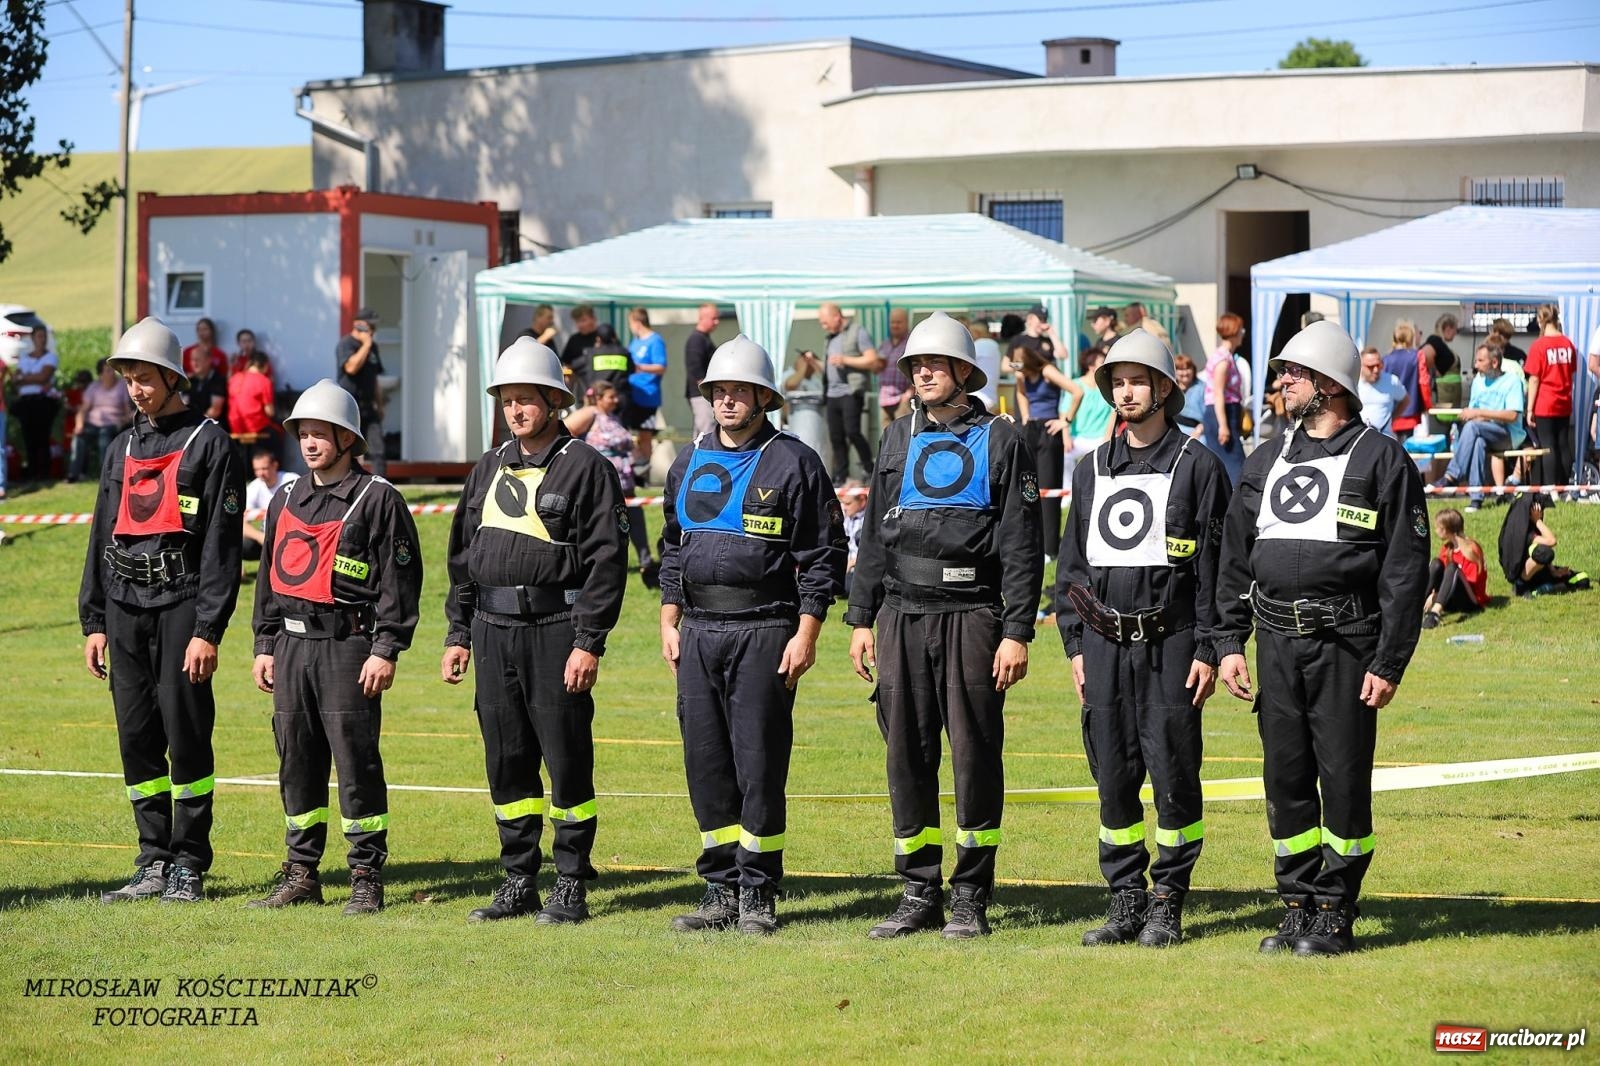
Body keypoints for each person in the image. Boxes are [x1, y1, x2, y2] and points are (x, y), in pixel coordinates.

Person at [1214, 320, 1429, 957]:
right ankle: (1298, 904)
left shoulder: (1381, 458)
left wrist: (1388, 661)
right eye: (1281, 373)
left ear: (1329, 385)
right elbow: (1233, 557)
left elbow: (1404, 570)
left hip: (1346, 646)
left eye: (1294, 374)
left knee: (1340, 780)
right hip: (1276, 647)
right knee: (1284, 780)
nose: (1280, 383)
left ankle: (1336, 908)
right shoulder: (1264, 459)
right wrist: (1228, 642)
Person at [846, 312, 1043, 940]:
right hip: (901, 615)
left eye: (933, 364)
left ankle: (971, 895)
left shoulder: (1003, 440)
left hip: (973, 617)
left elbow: (1020, 543)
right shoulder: (896, 439)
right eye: (914, 365)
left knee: (974, 756)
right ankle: (918, 889)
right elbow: (875, 532)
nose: (922, 373)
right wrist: (858, 617)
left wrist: (1017, 630)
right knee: (907, 755)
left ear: (964, 372)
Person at [659, 335, 845, 936]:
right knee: (705, 762)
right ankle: (719, 889)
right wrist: (669, 615)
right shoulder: (687, 462)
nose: (729, 400)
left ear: (765, 396)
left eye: (740, 390)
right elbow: (671, 545)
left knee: (758, 763)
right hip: (699, 631)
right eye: (719, 391)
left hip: (766, 627)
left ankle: (758, 892)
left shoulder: (795, 462)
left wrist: (808, 631)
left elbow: (825, 556)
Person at [440, 338, 627, 925]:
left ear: (553, 400)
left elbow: (606, 563)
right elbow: (461, 557)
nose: (516, 410)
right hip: (492, 630)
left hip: (556, 629)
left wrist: (587, 641)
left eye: (527, 399)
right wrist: (457, 634)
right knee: (507, 758)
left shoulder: (585, 467)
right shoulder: (487, 467)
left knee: (566, 757)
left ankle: (570, 881)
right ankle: (518, 878)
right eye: (508, 400)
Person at [1054, 330, 1231, 948]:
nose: (1126, 393)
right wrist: (1075, 648)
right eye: (1117, 382)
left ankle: (1167, 900)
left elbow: (1216, 572)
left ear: (1163, 389)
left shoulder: (1200, 467)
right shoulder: (1091, 468)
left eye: (1137, 381)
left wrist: (1211, 648)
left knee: (1174, 773)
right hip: (1103, 649)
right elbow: (1071, 570)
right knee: (1113, 773)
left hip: (1173, 643)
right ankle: (1125, 897)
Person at [79, 317, 245, 905]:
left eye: (145, 379)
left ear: (173, 377)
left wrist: (208, 629)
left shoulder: (211, 443)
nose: (135, 390)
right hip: (124, 608)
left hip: (181, 607)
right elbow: (103, 533)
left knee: (186, 733)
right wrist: (93, 620)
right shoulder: (120, 446)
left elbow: (222, 547)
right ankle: (152, 859)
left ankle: (188, 864)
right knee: (137, 737)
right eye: (128, 379)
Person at [248, 380, 422, 914]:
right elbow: (269, 578)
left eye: (321, 434)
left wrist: (385, 648)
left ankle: (366, 874)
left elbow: (400, 580)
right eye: (303, 433)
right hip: (291, 648)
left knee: (355, 763)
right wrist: (263, 643)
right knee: (295, 761)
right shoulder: (284, 498)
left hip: (349, 648)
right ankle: (301, 872)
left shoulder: (379, 499)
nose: (309, 443)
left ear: (348, 439)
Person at [566, 380, 658, 588]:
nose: (616, 400)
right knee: (604, 523)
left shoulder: (614, 417)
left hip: (625, 481)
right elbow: (568, 429)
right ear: (598, 398)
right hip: (601, 482)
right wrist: (579, 458)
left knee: (634, 518)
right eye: (611, 397)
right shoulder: (590, 413)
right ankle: (599, 562)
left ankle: (646, 561)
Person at [1431, 344, 1526, 511]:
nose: (1476, 365)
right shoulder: (1478, 381)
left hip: (1508, 434)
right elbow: (1474, 414)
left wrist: (1481, 414)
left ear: (1494, 362)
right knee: (1478, 441)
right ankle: (1476, 498)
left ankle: (1452, 474)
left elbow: (1512, 416)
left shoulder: (1512, 382)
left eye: (1480, 361)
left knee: (1474, 427)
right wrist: (1473, 415)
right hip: (1482, 431)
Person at [1010, 334, 1079, 558]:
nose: (1021, 374)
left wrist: (1065, 421)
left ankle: (1051, 548)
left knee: (1049, 489)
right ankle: (1029, 540)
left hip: (1050, 430)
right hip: (1031, 428)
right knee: (1027, 486)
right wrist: (1026, 417)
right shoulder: (1021, 375)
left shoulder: (1047, 371)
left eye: (1022, 368)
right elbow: (1021, 392)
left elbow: (1077, 391)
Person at [812, 302, 882, 485]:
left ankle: (869, 467)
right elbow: (827, 369)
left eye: (825, 322)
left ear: (837, 317)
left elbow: (872, 360)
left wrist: (845, 359)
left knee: (852, 432)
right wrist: (812, 362)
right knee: (836, 437)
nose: (823, 326)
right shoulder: (829, 339)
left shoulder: (858, 331)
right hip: (832, 394)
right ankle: (841, 475)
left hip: (851, 391)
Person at [1524, 304, 1577, 489]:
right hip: (1564, 401)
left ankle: (1551, 487)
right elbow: (1571, 373)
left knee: (1548, 445)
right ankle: (1565, 486)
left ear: (1540, 320)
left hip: (1545, 403)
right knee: (1563, 443)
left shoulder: (1539, 345)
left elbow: (1534, 379)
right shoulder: (1568, 344)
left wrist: (1529, 409)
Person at [1498, 492, 1589, 597]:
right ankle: (1521, 586)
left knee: (1583, 579)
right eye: (1540, 509)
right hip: (1527, 576)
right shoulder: (1523, 533)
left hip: (1541, 572)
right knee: (1545, 553)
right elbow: (1551, 541)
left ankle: (1546, 588)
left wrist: (1553, 571)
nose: (1542, 512)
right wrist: (1537, 521)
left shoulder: (1532, 529)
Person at [335, 308, 386, 477]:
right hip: (349, 407)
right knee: (348, 449)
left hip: (368, 407)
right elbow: (351, 367)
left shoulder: (373, 348)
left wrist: (379, 405)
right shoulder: (346, 344)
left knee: (378, 449)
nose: (373, 328)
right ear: (359, 324)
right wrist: (365, 345)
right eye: (370, 324)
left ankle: (382, 486)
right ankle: (349, 483)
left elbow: (375, 379)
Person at [70, 358, 134, 484]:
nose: (112, 373)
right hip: (92, 423)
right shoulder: (94, 387)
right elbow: (83, 410)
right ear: (100, 374)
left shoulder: (122, 385)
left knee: (104, 437)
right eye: (108, 370)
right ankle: (74, 474)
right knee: (79, 438)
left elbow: (128, 410)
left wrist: (125, 419)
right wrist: (79, 425)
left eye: (113, 370)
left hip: (113, 422)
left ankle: (105, 474)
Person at [1421, 507, 1487, 628]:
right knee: (1436, 563)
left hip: (1471, 601)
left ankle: (1435, 614)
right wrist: (1434, 594)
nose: (1435, 530)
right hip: (1452, 598)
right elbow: (1442, 577)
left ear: (1447, 529)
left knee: (1452, 568)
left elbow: (1474, 583)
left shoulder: (1471, 549)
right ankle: (1418, 607)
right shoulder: (1447, 548)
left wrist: (1438, 595)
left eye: (1438, 527)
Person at [1059, 346, 1114, 489]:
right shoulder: (1076, 385)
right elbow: (1064, 412)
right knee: (1064, 457)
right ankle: (1067, 491)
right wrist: (1066, 437)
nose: (1105, 364)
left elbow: (1113, 413)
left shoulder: (1108, 386)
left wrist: (1107, 437)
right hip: (1078, 437)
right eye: (1102, 361)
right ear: (1091, 366)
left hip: (1100, 438)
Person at [1201, 315, 1246, 486]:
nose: (1243, 334)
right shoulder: (1223, 360)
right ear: (1234, 331)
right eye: (1241, 330)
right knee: (1235, 464)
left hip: (1225, 413)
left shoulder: (1226, 356)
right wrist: (1224, 426)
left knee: (1232, 462)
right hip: (1221, 414)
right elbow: (1218, 393)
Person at [12, 323, 60, 482]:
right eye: (39, 336)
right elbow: (15, 379)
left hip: (42, 401)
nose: (42, 340)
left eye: (44, 337)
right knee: (29, 436)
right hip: (26, 402)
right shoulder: (25, 358)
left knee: (42, 436)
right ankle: (32, 471)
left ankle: (44, 471)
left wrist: (24, 378)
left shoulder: (50, 357)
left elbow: (43, 377)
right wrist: (33, 377)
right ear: (33, 338)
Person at [625, 307, 667, 484]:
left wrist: (640, 368)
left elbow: (661, 366)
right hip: (631, 394)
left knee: (645, 435)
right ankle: (634, 468)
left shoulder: (655, 340)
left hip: (648, 395)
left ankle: (644, 474)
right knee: (626, 433)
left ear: (637, 321)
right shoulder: (635, 341)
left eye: (631, 323)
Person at [241, 448, 298, 562]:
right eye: (256, 469)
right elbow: (241, 520)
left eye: (264, 468)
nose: (260, 473)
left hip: (291, 535)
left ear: (275, 465)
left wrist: (261, 513)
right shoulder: (254, 487)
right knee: (241, 543)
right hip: (265, 535)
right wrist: (260, 537)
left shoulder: (292, 480)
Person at [228, 349, 277, 453]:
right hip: (255, 426)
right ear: (265, 365)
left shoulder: (234, 378)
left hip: (235, 426)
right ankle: (276, 466)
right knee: (277, 432)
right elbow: (270, 412)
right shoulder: (264, 380)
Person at [684, 303, 720, 438]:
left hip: (703, 394)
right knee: (707, 433)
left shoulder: (703, 338)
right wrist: (707, 391)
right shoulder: (696, 339)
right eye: (713, 318)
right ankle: (705, 459)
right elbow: (695, 369)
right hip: (701, 394)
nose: (717, 322)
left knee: (701, 433)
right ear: (703, 318)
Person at [1382, 321, 1424, 436]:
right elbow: (1424, 382)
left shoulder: (1385, 359)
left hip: (1391, 413)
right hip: (1412, 411)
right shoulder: (1417, 356)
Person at [1357, 347, 1409, 437]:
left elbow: (1405, 400)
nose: (1376, 370)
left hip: (1385, 437)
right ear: (1361, 365)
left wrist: (1393, 417)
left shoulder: (1391, 381)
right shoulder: (1354, 383)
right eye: (1371, 366)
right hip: (1360, 438)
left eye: (1378, 365)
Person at [878, 308, 913, 423]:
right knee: (886, 437)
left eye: (898, 322)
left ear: (906, 322)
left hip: (903, 398)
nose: (895, 325)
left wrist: (910, 393)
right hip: (885, 398)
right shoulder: (885, 344)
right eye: (892, 322)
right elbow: (876, 369)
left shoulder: (911, 342)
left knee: (903, 437)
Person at [559, 304, 600, 391]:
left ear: (593, 319)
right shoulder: (574, 340)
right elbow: (566, 364)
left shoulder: (603, 336)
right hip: (581, 388)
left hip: (601, 385)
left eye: (583, 320)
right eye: (577, 322)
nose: (580, 325)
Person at [61, 369, 91, 483]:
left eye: (84, 381)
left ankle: (83, 472)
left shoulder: (91, 393)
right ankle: (70, 472)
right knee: (69, 450)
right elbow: (66, 405)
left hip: (87, 425)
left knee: (84, 449)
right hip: (71, 425)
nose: (82, 384)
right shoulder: (73, 393)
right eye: (80, 381)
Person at [1174, 354, 1206, 438]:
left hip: (1196, 434)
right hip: (1174, 432)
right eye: (1180, 369)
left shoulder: (1202, 388)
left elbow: (1209, 415)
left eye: (1188, 368)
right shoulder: (1170, 388)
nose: (1185, 373)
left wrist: (1198, 431)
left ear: (1193, 369)